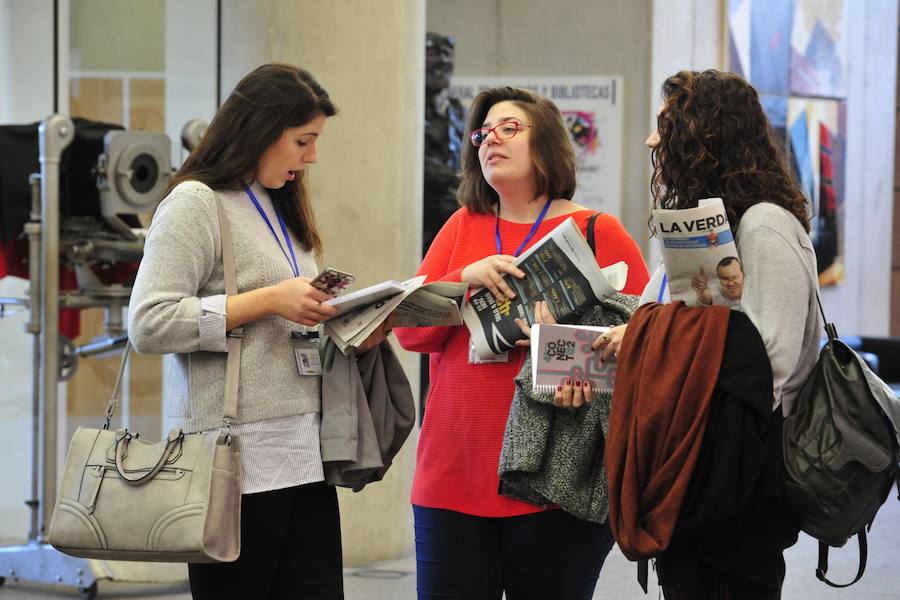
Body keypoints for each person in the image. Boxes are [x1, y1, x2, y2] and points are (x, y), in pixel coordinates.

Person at [128, 63, 389, 600]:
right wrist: (268, 300)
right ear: (262, 130)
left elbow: (292, 324)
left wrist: (348, 327)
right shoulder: (195, 203)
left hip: (305, 452)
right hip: (232, 458)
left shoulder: (282, 204)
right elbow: (148, 324)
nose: (311, 157)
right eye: (303, 141)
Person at [394, 86, 649, 600]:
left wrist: (565, 353)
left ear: (547, 143)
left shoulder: (596, 231)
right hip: (453, 472)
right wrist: (464, 278)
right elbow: (412, 333)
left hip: (556, 473)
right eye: (483, 133)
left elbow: (646, 348)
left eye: (509, 129)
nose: (492, 140)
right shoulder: (461, 226)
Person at [597, 69, 822, 599]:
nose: (653, 141)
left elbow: (773, 361)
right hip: (700, 463)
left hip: (737, 480)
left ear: (705, 134)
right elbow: (668, 318)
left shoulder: (763, 225)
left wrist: (652, 340)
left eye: (665, 126)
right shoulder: (714, 225)